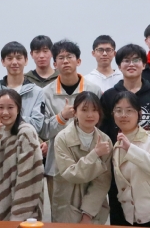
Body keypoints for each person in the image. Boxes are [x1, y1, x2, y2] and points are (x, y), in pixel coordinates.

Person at [100, 43, 150, 226]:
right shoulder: (109, 95)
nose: (131, 64)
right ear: (119, 66)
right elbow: (104, 130)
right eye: (126, 60)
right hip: (118, 165)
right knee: (120, 214)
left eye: (136, 60)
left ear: (144, 65)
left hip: (147, 165)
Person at [40, 39, 103, 215]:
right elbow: (43, 130)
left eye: (70, 57)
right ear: (54, 64)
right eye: (61, 58)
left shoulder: (93, 90)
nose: (66, 61)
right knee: (60, 215)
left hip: (89, 160)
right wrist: (61, 117)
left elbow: (100, 125)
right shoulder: (46, 93)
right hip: (57, 165)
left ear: (79, 61)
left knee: (89, 214)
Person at [0, 89, 45, 221]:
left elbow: (29, 177)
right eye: (1, 107)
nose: (5, 112)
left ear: (18, 109)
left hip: (24, 208)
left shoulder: (26, 133)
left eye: (10, 107)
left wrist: (19, 215)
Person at [112, 92, 150, 227]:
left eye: (129, 110)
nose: (123, 115)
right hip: (131, 216)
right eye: (118, 110)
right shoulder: (116, 145)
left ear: (139, 114)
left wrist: (131, 149)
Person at [52, 91, 112, 224]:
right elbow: (71, 173)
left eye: (94, 110)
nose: (90, 115)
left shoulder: (105, 140)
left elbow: (103, 181)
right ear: (75, 113)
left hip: (94, 208)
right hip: (67, 202)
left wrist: (87, 214)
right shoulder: (62, 138)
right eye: (84, 110)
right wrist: (95, 154)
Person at [0, 41, 44, 140]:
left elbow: (37, 125)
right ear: (3, 61)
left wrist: (6, 117)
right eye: (9, 58)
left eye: (19, 58)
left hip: (25, 145)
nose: (14, 62)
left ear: (26, 60)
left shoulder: (37, 92)